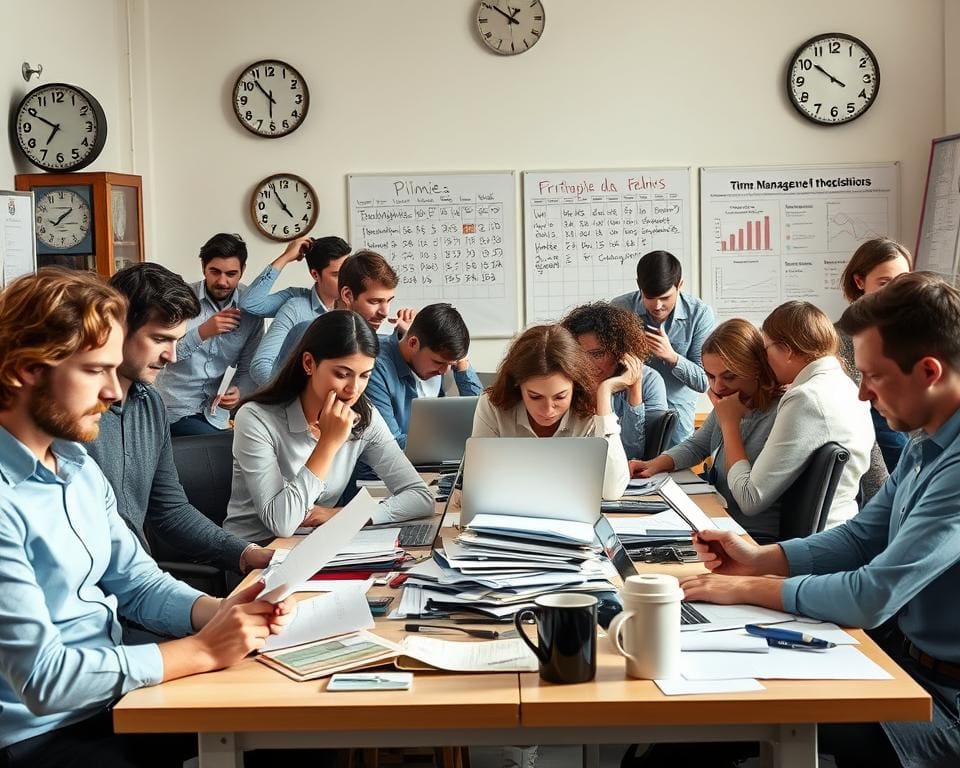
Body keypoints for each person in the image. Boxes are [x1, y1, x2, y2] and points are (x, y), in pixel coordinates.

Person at [0, 268, 292, 767]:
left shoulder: (75, 465)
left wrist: (219, 611)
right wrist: (201, 651)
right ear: (27, 369)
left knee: (288, 734)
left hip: (110, 700)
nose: (114, 393)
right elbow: (44, 679)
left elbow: (135, 581)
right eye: (95, 371)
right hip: (39, 734)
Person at [682, 272, 960, 768]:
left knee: (719, 729)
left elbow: (872, 595)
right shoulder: (926, 442)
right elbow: (859, 538)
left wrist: (750, 588)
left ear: (928, 371)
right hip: (906, 659)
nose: (861, 395)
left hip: (945, 699)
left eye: (873, 376)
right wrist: (761, 559)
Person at [87, 263, 273, 577]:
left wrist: (247, 553)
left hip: (136, 587)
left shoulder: (151, 405)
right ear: (116, 328)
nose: (172, 356)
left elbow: (170, 511)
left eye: (176, 340)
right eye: (160, 339)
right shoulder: (74, 416)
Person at [223, 310, 433, 542]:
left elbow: (420, 497)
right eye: (342, 374)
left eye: (364, 376)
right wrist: (328, 443)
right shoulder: (255, 418)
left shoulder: (364, 416)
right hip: (256, 551)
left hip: (315, 544)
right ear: (309, 363)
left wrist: (342, 515)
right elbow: (282, 523)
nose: (353, 389)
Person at [710, 301, 872, 530]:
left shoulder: (806, 397)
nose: (764, 360)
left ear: (786, 351)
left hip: (809, 542)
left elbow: (749, 498)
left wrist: (729, 423)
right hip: (839, 528)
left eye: (766, 350)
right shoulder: (846, 386)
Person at [631, 319, 784, 541]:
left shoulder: (778, 412)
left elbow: (748, 499)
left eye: (729, 376)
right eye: (711, 376)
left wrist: (729, 421)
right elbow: (697, 445)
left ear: (756, 370)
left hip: (751, 534)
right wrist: (654, 464)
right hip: (720, 517)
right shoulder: (730, 401)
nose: (717, 387)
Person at [471, 324, 630, 500]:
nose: (548, 410)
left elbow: (612, 491)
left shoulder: (590, 408)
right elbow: (480, 484)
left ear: (575, 386)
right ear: (518, 386)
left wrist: (604, 393)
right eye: (535, 397)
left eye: (560, 397)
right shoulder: (493, 405)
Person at [156, 232, 264, 436]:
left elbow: (250, 366)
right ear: (203, 267)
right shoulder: (180, 300)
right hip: (174, 410)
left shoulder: (251, 308)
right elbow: (162, 356)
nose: (222, 281)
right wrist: (203, 332)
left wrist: (240, 391)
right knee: (224, 449)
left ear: (242, 271)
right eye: (215, 272)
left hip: (216, 414)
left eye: (231, 274)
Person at [612, 250, 714, 446]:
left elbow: (704, 382)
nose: (657, 306)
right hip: (628, 415)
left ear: (680, 285)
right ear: (639, 286)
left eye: (665, 297)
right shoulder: (619, 310)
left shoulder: (700, 315)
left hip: (676, 420)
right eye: (649, 297)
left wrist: (672, 357)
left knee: (675, 472)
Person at [267, 249, 416, 383]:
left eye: (388, 301)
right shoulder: (306, 333)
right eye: (375, 301)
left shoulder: (382, 343)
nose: (384, 312)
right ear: (347, 295)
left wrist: (413, 336)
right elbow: (277, 393)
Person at [839, 237, 913, 474]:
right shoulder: (840, 340)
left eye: (902, 282)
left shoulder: (912, 332)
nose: (895, 292)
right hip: (877, 470)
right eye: (884, 282)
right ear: (859, 281)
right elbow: (861, 428)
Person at [560, 301, 668, 459]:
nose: (587, 364)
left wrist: (635, 390)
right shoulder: (568, 380)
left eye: (597, 354)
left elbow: (632, 456)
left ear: (620, 352)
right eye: (580, 355)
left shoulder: (649, 381)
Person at [366, 302, 483, 447]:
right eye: (438, 362)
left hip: (430, 459)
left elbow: (482, 418)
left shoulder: (434, 359)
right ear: (413, 343)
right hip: (389, 465)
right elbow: (390, 443)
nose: (443, 371)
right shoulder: (375, 366)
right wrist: (452, 442)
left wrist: (461, 362)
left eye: (450, 364)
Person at [245, 235, 351, 386]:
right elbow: (260, 366)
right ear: (315, 274)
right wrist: (286, 257)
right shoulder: (296, 306)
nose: (346, 280)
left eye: (348, 271)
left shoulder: (351, 309)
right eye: (337, 275)